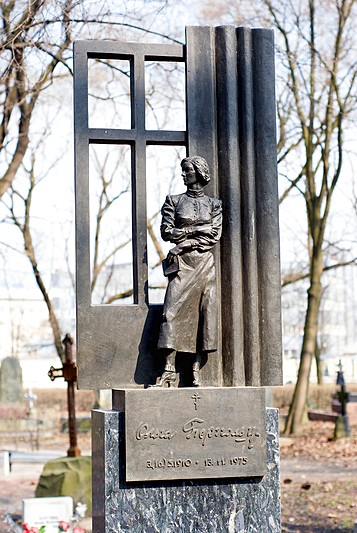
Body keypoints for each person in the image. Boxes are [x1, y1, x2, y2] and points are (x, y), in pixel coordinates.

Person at [153, 156, 222, 387]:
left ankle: (195, 370)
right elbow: (166, 231)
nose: (183, 174)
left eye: (187, 170)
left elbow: (213, 235)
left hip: (203, 265)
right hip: (182, 265)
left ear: (199, 172)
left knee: (203, 315)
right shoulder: (173, 201)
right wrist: (198, 231)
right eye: (182, 171)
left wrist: (184, 241)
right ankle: (168, 368)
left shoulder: (214, 204)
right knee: (169, 313)